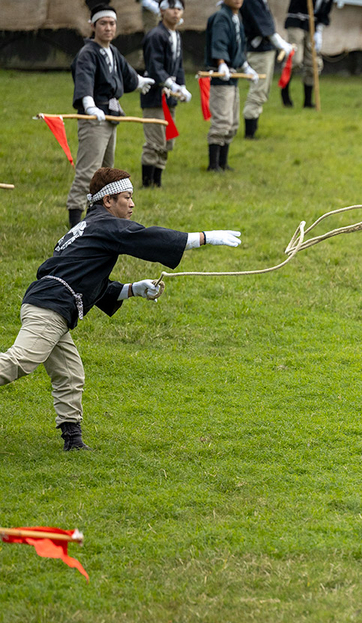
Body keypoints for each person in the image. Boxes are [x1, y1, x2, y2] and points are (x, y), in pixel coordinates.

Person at [0, 167, 241, 451]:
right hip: (51, 306)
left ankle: (73, 441)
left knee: (69, 373)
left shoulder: (87, 228)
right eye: (126, 197)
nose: (132, 204)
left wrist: (134, 289)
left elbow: (90, 281)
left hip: (49, 302)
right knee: (20, 362)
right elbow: (147, 238)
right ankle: (72, 440)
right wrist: (204, 237)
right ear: (107, 201)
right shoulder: (105, 225)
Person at [67, 5, 154, 227]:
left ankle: (97, 216)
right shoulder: (88, 53)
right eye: (103, 23)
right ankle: (76, 218)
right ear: (93, 25)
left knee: (106, 171)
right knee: (89, 170)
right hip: (94, 118)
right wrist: (89, 105)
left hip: (111, 116)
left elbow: (126, 74)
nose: (108, 28)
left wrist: (140, 81)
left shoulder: (112, 51)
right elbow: (84, 79)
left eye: (112, 23)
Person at [204, 0, 257, 172]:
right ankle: (213, 164)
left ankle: (223, 163)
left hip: (232, 78)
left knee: (233, 122)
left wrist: (245, 66)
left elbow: (238, 47)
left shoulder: (236, 18)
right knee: (222, 120)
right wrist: (221, 63)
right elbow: (218, 43)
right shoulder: (221, 17)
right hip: (221, 77)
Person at [140, 0, 191, 189]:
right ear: (161, 11)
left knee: (168, 139)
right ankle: (147, 183)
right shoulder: (156, 35)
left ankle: (157, 180)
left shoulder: (175, 35)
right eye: (171, 8)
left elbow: (178, 65)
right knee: (155, 140)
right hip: (154, 95)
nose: (176, 12)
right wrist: (171, 84)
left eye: (179, 9)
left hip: (170, 97)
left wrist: (182, 86)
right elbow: (154, 67)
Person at [241, 0, 295, 138]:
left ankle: (252, 129)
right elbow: (262, 25)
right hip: (257, 49)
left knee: (262, 90)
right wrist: (281, 44)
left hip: (264, 48)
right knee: (258, 90)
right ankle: (250, 133)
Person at [282, 0, 341, 109]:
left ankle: (308, 101)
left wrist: (319, 31)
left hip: (313, 24)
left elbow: (325, 11)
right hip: (297, 20)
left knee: (313, 63)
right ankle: (285, 94)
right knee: (295, 59)